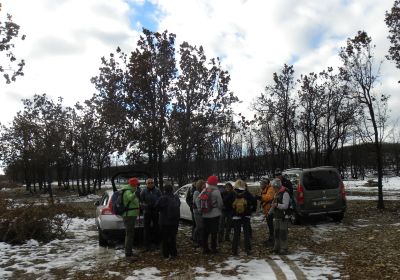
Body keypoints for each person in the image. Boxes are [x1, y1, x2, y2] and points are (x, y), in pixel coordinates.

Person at [155, 184, 181, 259]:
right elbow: (178, 205)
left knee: (164, 238)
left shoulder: (162, 198)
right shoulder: (175, 197)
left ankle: (165, 254)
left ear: (164, 190)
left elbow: (156, 207)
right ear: (172, 189)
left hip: (164, 221)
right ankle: (173, 253)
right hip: (174, 221)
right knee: (173, 237)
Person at [201, 175, 223, 254]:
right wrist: (219, 209)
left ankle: (205, 248)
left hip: (205, 214)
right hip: (215, 215)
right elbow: (220, 203)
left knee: (205, 233)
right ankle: (213, 248)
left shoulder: (204, 190)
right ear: (215, 182)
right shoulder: (217, 191)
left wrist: (201, 210)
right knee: (214, 232)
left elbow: (198, 200)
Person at [231, 179, 253, 256]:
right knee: (246, 232)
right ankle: (247, 249)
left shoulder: (232, 193)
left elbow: (229, 203)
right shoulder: (247, 193)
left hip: (236, 216)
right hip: (246, 215)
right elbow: (253, 202)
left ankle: (234, 250)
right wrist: (250, 209)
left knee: (236, 233)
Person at [140, 177, 162, 251]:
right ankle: (147, 245)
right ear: (146, 184)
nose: (150, 184)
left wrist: (157, 205)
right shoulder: (143, 191)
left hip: (155, 211)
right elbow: (140, 201)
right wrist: (145, 206)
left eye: (152, 182)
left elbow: (161, 199)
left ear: (154, 183)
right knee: (146, 228)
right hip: (147, 212)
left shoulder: (157, 190)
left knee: (156, 227)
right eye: (149, 183)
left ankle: (157, 243)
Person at [269, 178, 290, 255]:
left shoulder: (285, 193)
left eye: (274, 188)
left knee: (283, 233)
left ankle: (284, 248)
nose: (273, 189)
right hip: (277, 216)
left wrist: (277, 205)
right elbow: (273, 204)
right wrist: (270, 212)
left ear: (277, 186)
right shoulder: (276, 193)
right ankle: (276, 247)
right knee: (276, 232)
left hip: (284, 216)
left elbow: (285, 206)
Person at [122, 177, 141, 261]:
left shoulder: (131, 190)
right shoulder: (128, 191)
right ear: (133, 184)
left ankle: (129, 252)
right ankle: (128, 255)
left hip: (131, 215)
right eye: (137, 184)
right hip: (128, 216)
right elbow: (130, 198)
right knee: (129, 235)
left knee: (130, 234)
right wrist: (136, 193)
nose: (138, 185)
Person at [260, 179, 276, 246]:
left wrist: (260, 197)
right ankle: (271, 238)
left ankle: (273, 240)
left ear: (266, 184)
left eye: (262, 184)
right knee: (269, 225)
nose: (260, 185)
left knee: (271, 225)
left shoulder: (270, 189)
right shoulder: (264, 189)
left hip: (270, 210)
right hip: (266, 209)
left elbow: (269, 197)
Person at [193, 179, 206, 248]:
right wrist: (199, 209)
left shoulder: (203, 192)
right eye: (203, 184)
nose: (205, 185)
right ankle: (195, 238)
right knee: (199, 226)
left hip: (202, 211)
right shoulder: (196, 192)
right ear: (200, 185)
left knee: (202, 227)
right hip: (197, 212)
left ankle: (200, 241)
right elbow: (197, 201)